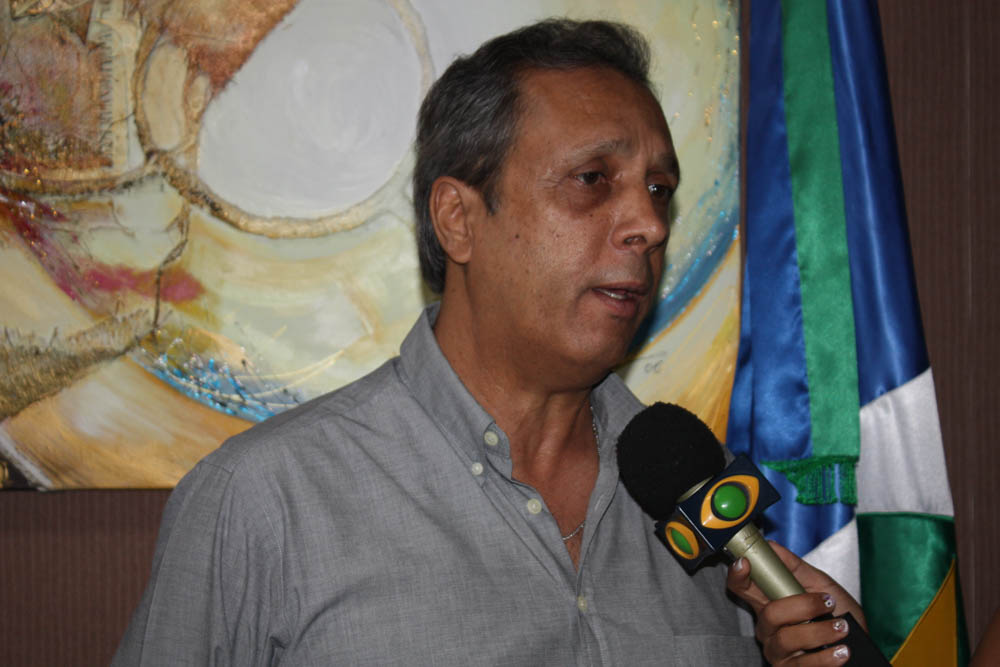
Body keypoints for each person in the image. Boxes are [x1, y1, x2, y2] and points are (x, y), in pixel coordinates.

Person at [114, 19, 864, 665]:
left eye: (659, 189)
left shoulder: (696, 496)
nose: (649, 224)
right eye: (592, 179)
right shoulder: (265, 499)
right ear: (459, 220)